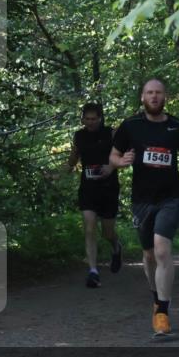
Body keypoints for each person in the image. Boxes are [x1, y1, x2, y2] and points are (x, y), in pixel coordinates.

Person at [110, 78, 179, 336]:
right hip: (142, 200)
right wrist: (120, 161)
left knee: (162, 250)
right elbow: (112, 156)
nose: (154, 96)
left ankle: (162, 311)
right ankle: (155, 296)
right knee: (149, 255)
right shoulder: (130, 126)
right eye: (149, 92)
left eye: (158, 93)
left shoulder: (178, 127)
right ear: (142, 97)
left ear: (165, 97)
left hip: (171, 197)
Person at [66, 102, 122, 288]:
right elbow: (73, 159)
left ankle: (116, 246)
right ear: (82, 119)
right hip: (88, 187)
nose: (90, 122)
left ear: (100, 118)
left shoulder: (111, 133)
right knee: (89, 227)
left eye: (93, 119)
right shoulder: (79, 136)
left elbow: (126, 155)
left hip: (108, 187)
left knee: (107, 231)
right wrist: (58, 174)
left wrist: (111, 166)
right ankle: (93, 271)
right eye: (87, 119)